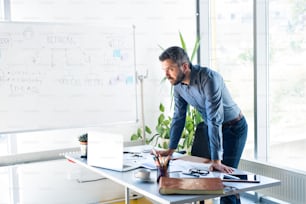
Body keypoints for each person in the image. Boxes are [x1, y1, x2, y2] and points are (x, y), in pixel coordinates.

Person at [157, 46, 248, 204]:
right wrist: (171, 149)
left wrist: (217, 160)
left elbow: (215, 119)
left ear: (185, 67)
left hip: (234, 128)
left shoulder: (209, 79)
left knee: (225, 181)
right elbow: (179, 116)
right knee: (211, 177)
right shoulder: (178, 85)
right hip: (211, 128)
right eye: (164, 70)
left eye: (170, 69)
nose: (166, 75)